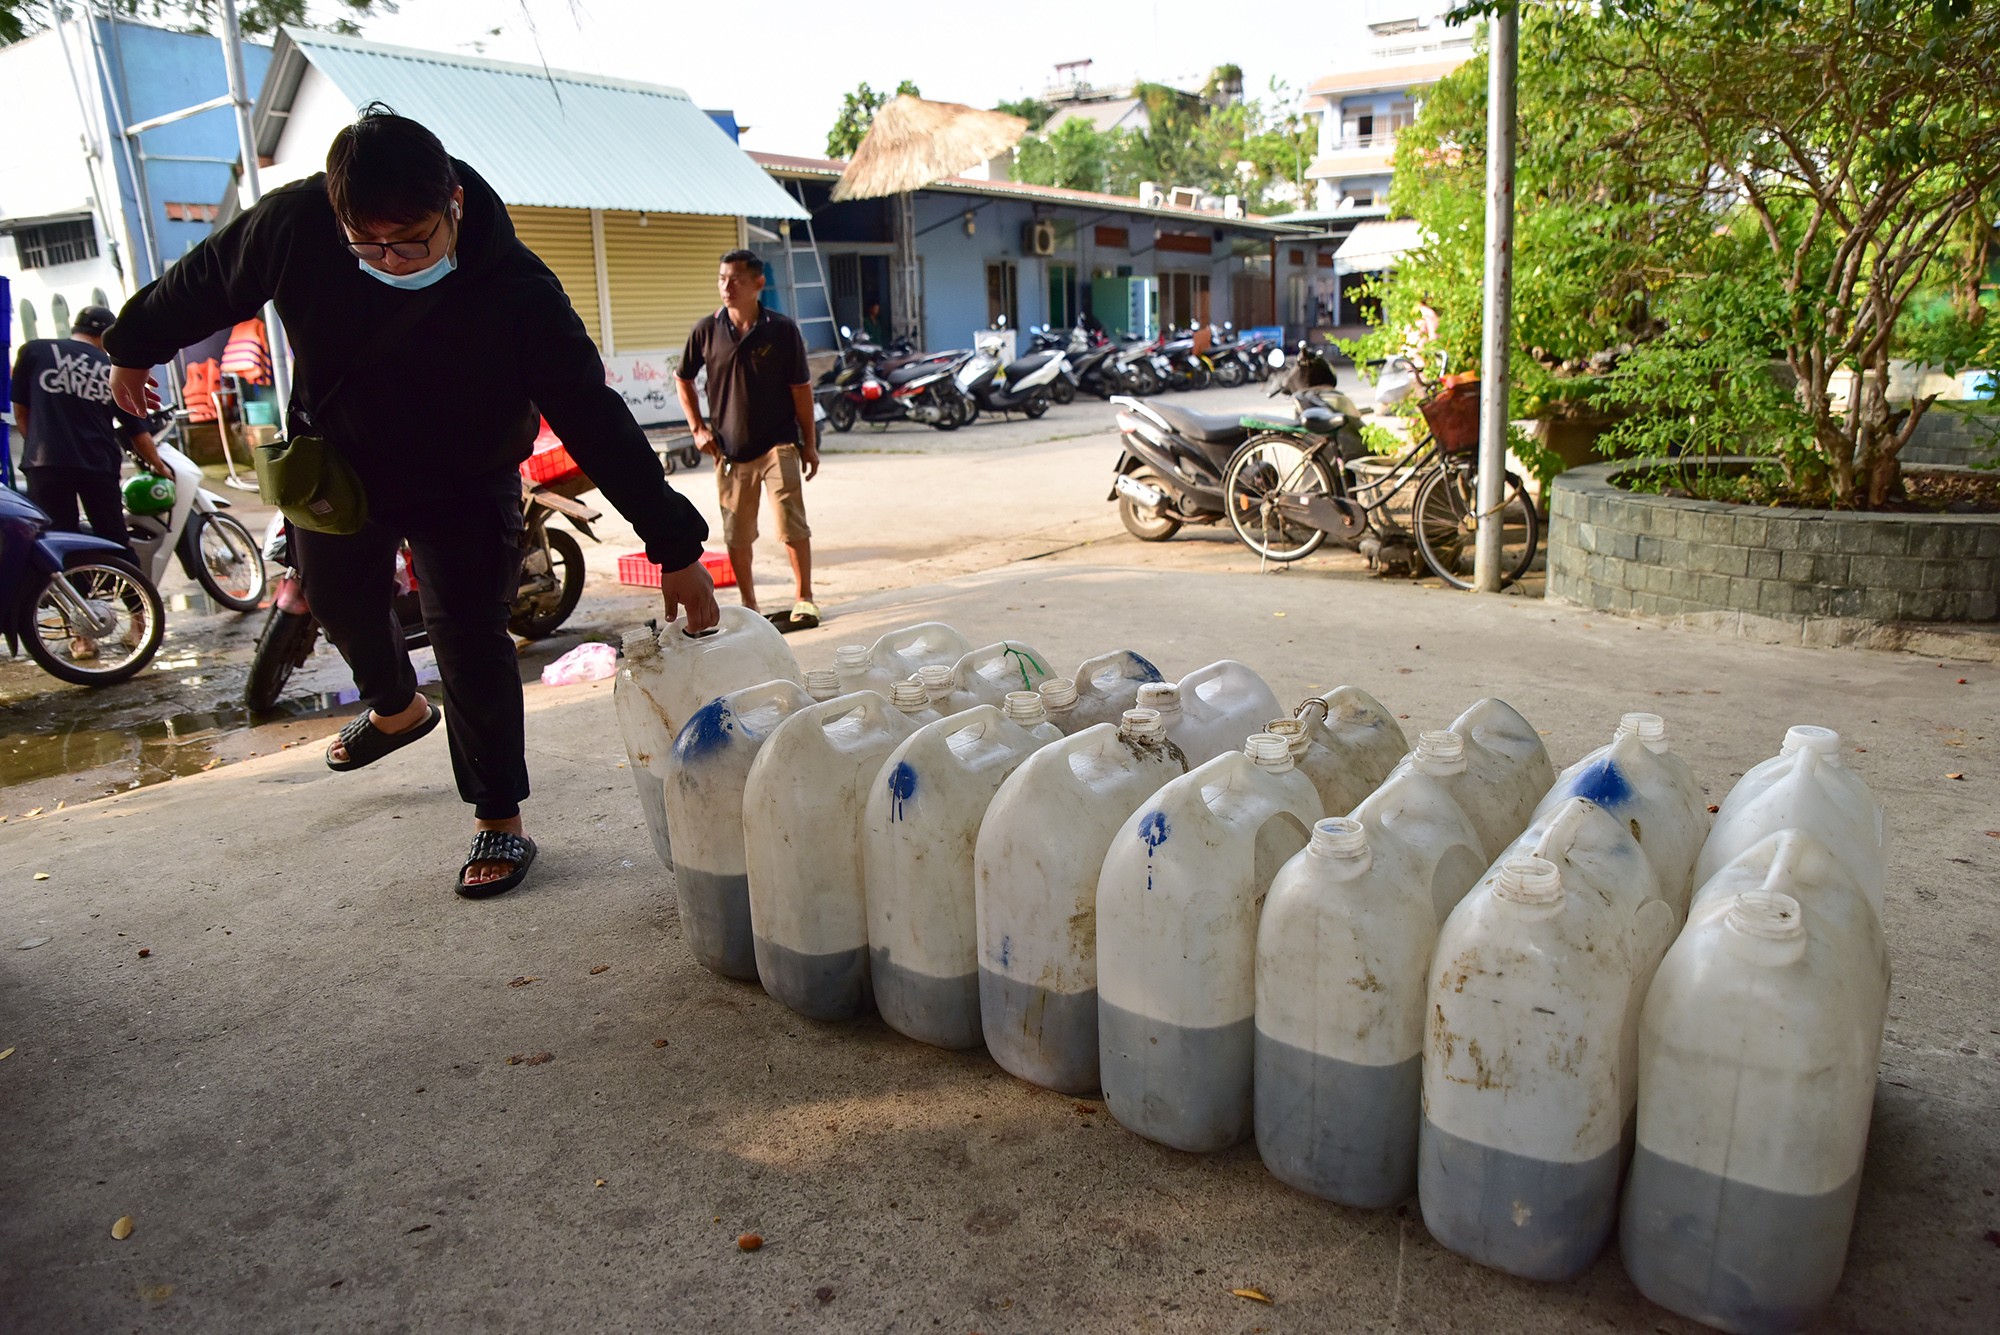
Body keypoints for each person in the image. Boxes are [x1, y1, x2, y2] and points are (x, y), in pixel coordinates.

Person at [105, 104, 718, 899]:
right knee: (333, 597)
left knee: (470, 640)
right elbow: (208, 277)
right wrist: (132, 344)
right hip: (343, 469)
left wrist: (675, 549)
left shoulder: (517, 286)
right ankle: (396, 707)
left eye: (413, 239)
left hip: (466, 481)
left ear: (454, 204)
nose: (391, 259)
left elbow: (594, 416)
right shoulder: (297, 225)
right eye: (369, 243)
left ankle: (500, 818)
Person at [674, 250, 821, 633]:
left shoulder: (782, 329)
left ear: (758, 283)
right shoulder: (706, 330)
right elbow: (683, 379)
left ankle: (804, 596)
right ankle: (749, 603)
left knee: (792, 522)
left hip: (779, 444)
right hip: (729, 449)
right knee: (737, 531)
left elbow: (801, 390)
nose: (727, 286)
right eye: (722, 278)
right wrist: (698, 428)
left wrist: (810, 443)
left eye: (736, 279)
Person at [10, 304, 169, 566]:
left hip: (45, 462)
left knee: (59, 540)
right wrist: (159, 465)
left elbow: (22, 413)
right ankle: (138, 604)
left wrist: (39, 445)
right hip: (97, 462)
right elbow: (136, 430)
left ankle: (79, 603)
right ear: (106, 335)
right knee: (114, 538)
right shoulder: (113, 366)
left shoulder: (34, 350)